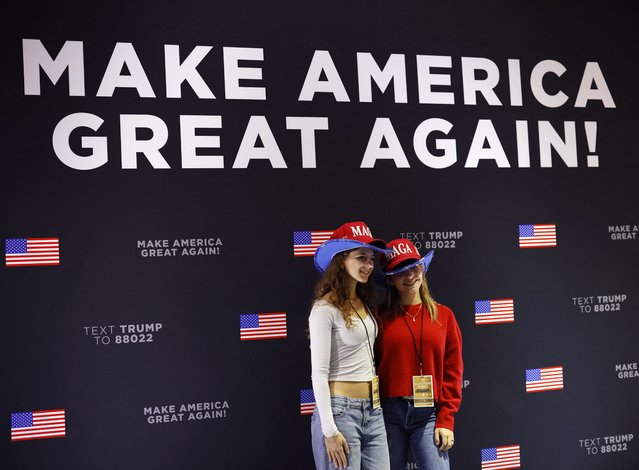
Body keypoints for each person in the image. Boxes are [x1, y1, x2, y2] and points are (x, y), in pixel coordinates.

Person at [309, 221, 391, 470]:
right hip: (340, 412)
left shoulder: (364, 302)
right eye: (361, 258)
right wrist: (330, 431)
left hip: (374, 412)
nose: (368, 265)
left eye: (371, 259)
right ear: (341, 260)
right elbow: (319, 374)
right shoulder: (324, 308)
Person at [376, 239, 463, 470]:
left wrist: (446, 418)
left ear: (423, 268)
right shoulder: (378, 317)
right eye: (401, 271)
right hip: (388, 413)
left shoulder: (444, 316)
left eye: (414, 266)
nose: (410, 275)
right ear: (391, 280)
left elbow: (453, 371)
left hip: (429, 415)